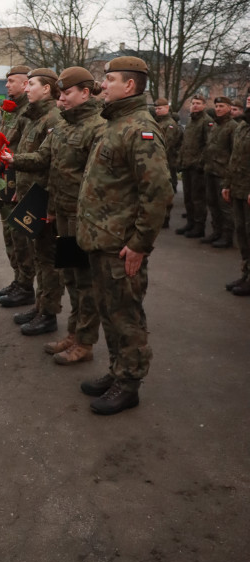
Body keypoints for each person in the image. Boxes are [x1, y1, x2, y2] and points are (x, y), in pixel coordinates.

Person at [76, 56, 173, 415]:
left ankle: (129, 383)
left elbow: (158, 192)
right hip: (102, 239)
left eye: (110, 79)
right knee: (109, 311)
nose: (102, 85)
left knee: (126, 315)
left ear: (129, 85)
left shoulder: (140, 129)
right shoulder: (114, 123)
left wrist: (139, 244)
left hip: (120, 245)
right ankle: (118, 370)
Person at [5, 67, 104, 360]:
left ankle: (84, 342)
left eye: (66, 93)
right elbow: (43, 158)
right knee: (71, 277)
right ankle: (73, 334)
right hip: (62, 214)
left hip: (80, 217)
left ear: (84, 93)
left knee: (84, 282)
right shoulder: (64, 125)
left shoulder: (97, 127)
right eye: (60, 94)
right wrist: (12, 159)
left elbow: (95, 179)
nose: (62, 99)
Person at [2, 68, 64, 334]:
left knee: (50, 260)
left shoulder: (53, 118)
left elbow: (52, 165)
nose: (26, 89)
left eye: (31, 84)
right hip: (32, 193)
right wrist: (20, 187)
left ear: (46, 88)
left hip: (46, 197)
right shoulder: (35, 116)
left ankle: (49, 314)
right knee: (39, 256)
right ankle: (41, 306)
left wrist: (49, 204)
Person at [0, 66, 36, 307]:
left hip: (18, 178)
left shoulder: (30, 111)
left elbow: (29, 150)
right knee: (9, 234)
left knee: (20, 235)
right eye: (6, 81)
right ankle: (18, 279)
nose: (7, 85)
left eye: (11, 81)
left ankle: (26, 285)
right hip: (6, 177)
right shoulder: (10, 110)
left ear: (25, 84)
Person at [222, 90, 250, 295]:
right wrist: (227, 184)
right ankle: (246, 274)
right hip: (238, 188)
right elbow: (234, 158)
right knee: (242, 232)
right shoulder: (242, 126)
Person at [176, 94, 212, 238]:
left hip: (197, 167)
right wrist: (180, 160)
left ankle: (199, 226)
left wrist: (200, 163)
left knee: (198, 199)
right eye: (193, 103)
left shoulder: (206, 121)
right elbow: (185, 143)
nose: (195, 105)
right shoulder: (191, 120)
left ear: (204, 105)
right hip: (187, 165)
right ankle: (190, 223)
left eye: (198, 103)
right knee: (188, 197)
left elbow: (208, 145)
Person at [202, 96, 237, 248]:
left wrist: (229, 177)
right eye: (217, 106)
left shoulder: (233, 127)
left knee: (225, 207)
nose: (218, 109)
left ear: (229, 108)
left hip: (223, 173)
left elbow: (234, 153)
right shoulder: (215, 125)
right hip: (211, 170)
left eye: (222, 106)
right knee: (212, 204)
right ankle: (216, 232)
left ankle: (227, 236)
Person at [153, 97, 183, 227]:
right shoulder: (158, 122)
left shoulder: (170, 124)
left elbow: (167, 145)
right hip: (158, 162)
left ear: (167, 108)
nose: (157, 111)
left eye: (160, 108)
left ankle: (165, 218)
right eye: (156, 108)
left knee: (165, 191)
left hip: (166, 162)